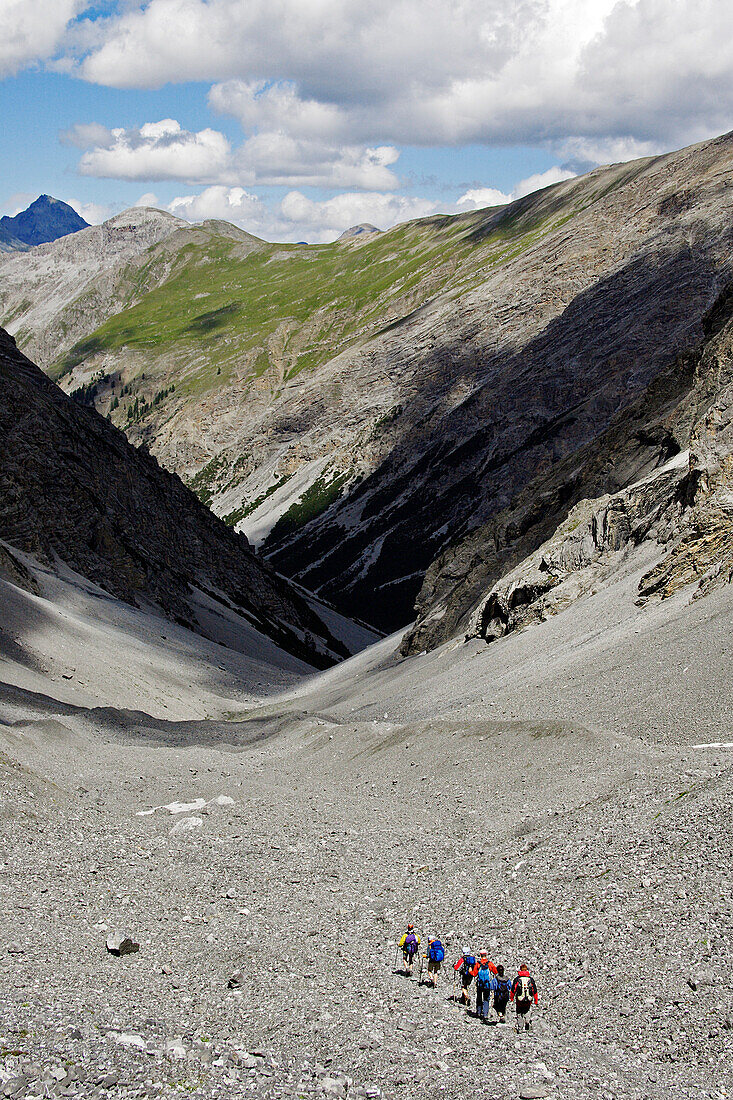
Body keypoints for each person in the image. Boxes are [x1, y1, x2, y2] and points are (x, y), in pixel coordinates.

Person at [511, 963, 538, 1032]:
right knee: (527, 1010)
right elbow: (534, 990)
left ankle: (520, 1028)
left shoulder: (517, 979)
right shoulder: (530, 979)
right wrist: (536, 1000)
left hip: (519, 1000)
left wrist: (511, 998)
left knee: (519, 1012)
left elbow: (513, 989)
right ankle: (527, 1021)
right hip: (528, 999)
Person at [470, 952, 497, 1018]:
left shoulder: (478, 964)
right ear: (486, 955)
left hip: (480, 984)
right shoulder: (490, 964)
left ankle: (478, 1012)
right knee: (486, 998)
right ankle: (485, 1014)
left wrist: (470, 971)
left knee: (479, 997)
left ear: (480, 955)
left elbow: (474, 974)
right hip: (487, 984)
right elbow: (495, 972)